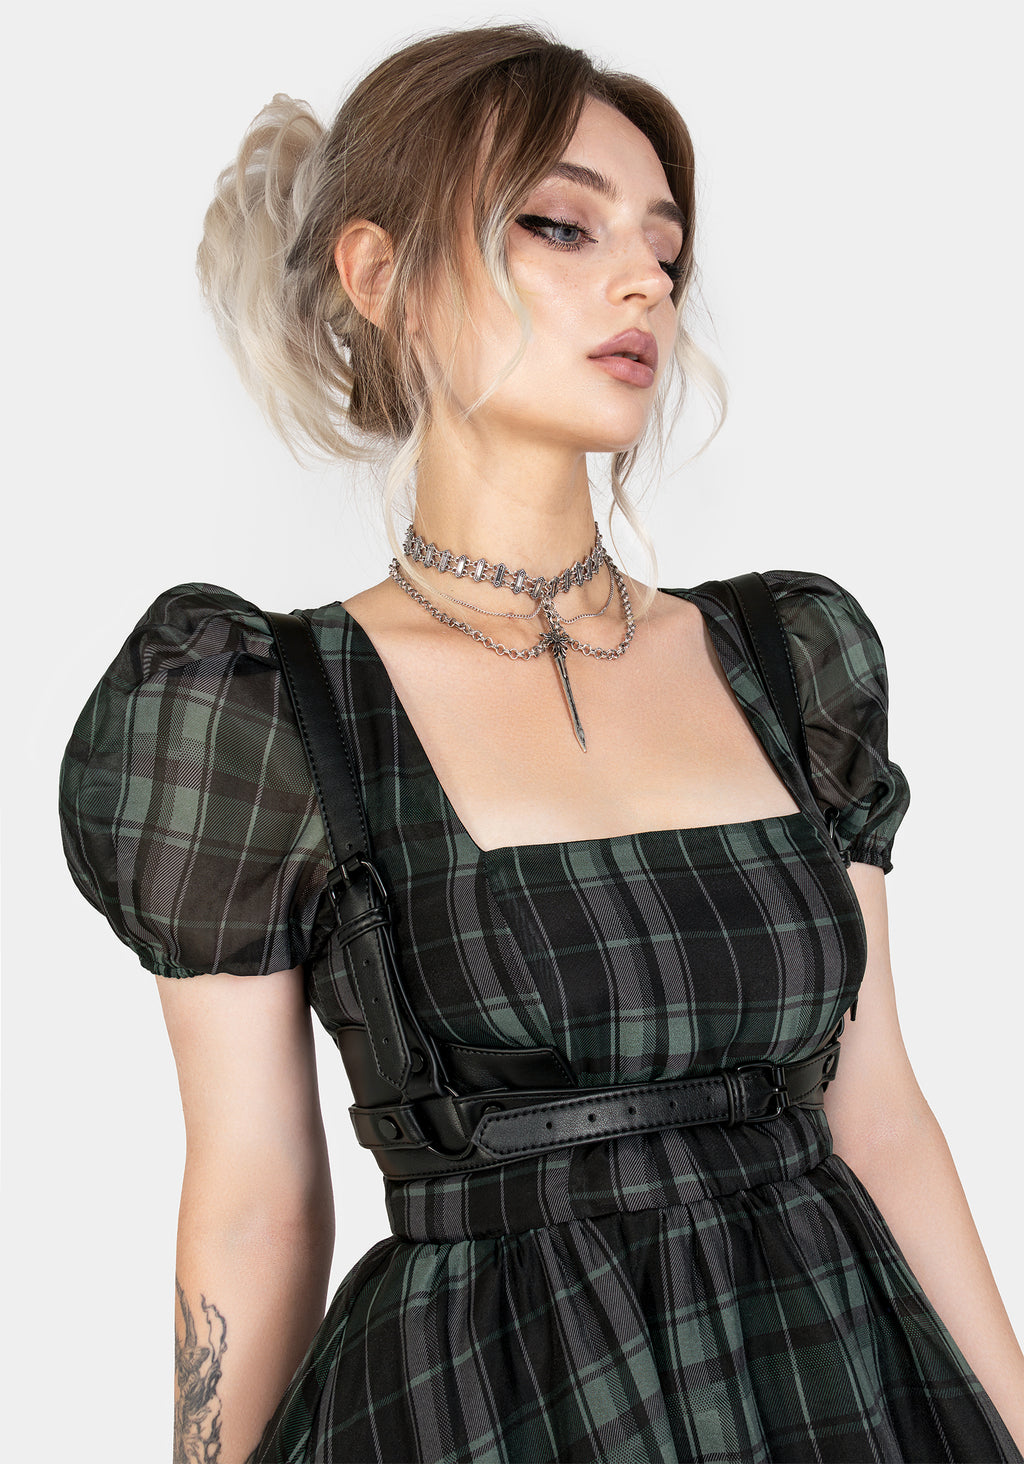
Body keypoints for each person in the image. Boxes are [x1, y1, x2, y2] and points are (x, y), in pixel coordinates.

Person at [58, 22, 1024, 1464]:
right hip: (484, 1408)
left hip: (833, 1387)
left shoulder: (792, 662)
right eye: (563, 226)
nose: (645, 282)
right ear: (380, 276)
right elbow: (256, 1200)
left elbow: (877, 1112)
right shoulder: (257, 708)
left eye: (664, 249)